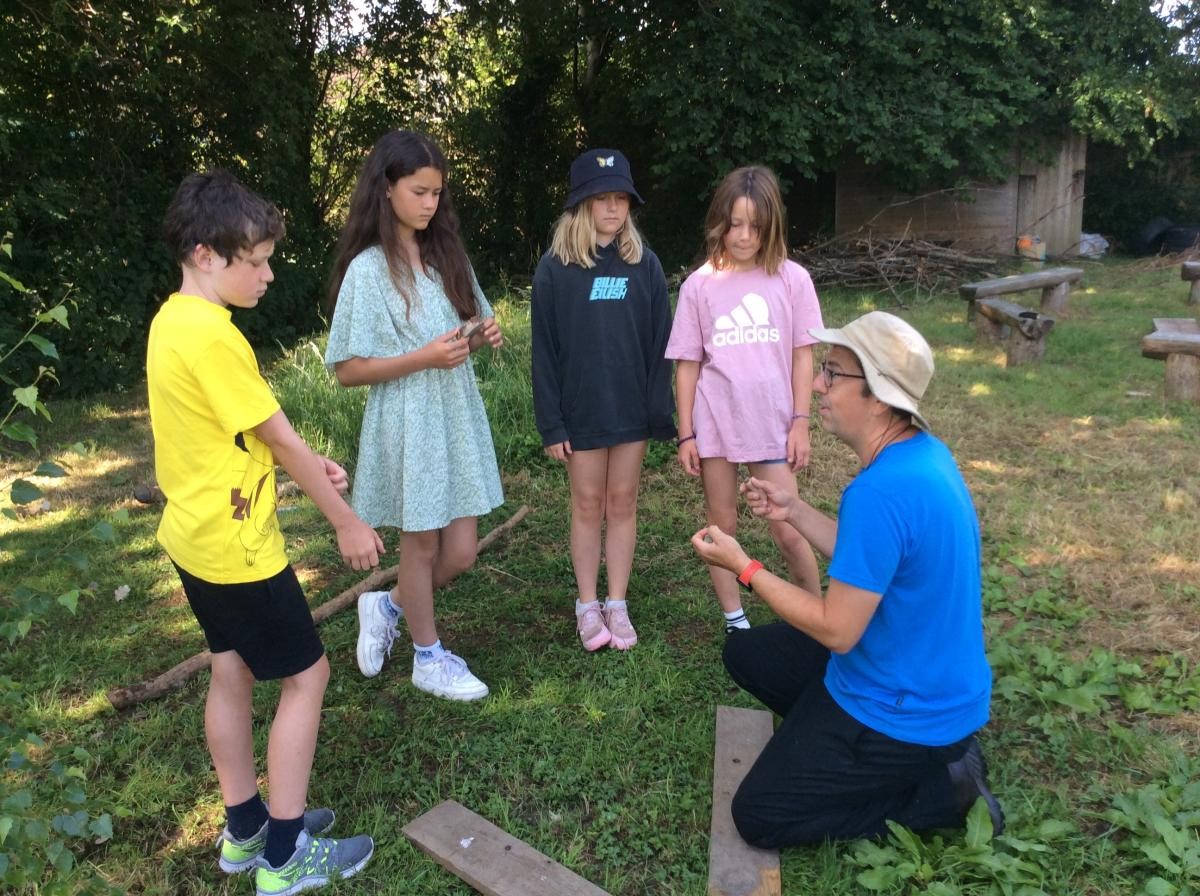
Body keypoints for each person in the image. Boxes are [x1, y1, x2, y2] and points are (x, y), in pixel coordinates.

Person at [689, 310, 1003, 846]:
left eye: (833, 374)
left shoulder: (880, 492)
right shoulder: (921, 456)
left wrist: (745, 567)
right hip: (922, 682)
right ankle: (863, 750)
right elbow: (873, 558)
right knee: (747, 653)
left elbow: (837, 630)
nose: (817, 385)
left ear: (878, 397)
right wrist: (793, 510)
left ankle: (942, 791)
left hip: (905, 708)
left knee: (760, 816)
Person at [149, 170, 381, 895]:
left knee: (231, 667)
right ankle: (285, 855)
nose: (268, 274)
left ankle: (245, 826)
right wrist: (344, 519)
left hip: (194, 539)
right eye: (255, 261)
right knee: (308, 676)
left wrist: (311, 466)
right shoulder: (214, 338)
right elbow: (278, 437)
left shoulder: (171, 321)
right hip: (239, 550)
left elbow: (239, 436)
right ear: (204, 254)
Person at [325, 130, 504, 701]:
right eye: (419, 192)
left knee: (462, 552)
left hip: (454, 413)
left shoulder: (445, 255)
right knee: (421, 546)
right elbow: (348, 369)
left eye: (436, 193)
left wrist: (480, 336)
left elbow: (464, 329)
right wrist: (423, 357)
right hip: (408, 419)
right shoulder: (368, 270)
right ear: (386, 189)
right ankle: (428, 658)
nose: (430, 204)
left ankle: (388, 605)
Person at [665, 165, 823, 634]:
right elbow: (688, 365)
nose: (744, 236)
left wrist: (800, 421)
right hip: (715, 424)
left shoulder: (792, 279)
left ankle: (817, 615)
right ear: (720, 221)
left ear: (772, 226)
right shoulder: (699, 286)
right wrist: (686, 434)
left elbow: (802, 356)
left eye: (756, 226)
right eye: (735, 224)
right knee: (723, 525)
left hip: (772, 425)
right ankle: (736, 621)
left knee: (788, 530)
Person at [531, 148, 675, 651]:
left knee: (623, 501)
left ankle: (617, 601)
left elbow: (661, 346)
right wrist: (552, 423)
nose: (612, 208)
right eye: (601, 198)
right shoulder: (555, 269)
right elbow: (544, 352)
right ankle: (587, 604)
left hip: (630, 410)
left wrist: (659, 411)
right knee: (588, 503)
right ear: (580, 204)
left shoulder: (645, 265)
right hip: (581, 411)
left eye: (621, 198)